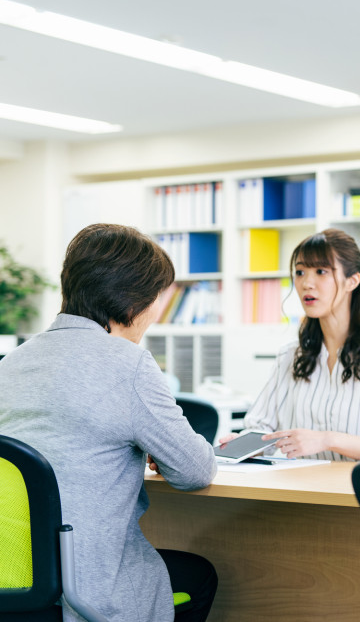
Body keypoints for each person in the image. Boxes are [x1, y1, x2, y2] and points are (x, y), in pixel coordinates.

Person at [0, 223, 218, 622]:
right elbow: (195, 470)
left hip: (13, 584)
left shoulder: (10, 364)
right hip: (86, 592)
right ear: (133, 302)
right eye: (157, 300)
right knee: (200, 575)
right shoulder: (129, 365)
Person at [240, 229, 360, 460]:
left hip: (355, 490)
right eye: (300, 272)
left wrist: (327, 439)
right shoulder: (290, 355)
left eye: (321, 271)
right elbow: (261, 426)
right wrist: (243, 444)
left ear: (352, 281)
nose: (306, 283)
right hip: (301, 488)